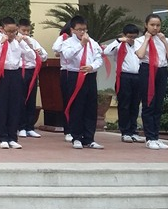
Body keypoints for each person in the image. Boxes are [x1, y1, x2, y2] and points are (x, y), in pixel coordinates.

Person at [0, 17, 36, 149]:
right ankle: (3, 137)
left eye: (14, 31)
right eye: (9, 31)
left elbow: (32, 57)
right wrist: (0, 43)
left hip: (16, 74)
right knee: (2, 106)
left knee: (15, 106)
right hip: (1, 73)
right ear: (2, 29)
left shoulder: (19, 41)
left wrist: (23, 43)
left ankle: (12, 137)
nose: (12, 34)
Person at [60, 15, 104, 150]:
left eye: (84, 29)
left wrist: (92, 67)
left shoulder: (93, 42)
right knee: (77, 107)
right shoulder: (68, 43)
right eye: (79, 29)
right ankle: (77, 137)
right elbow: (67, 56)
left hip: (89, 75)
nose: (82, 32)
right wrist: (81, 45)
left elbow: (99, 58)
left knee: (90, 107)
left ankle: (89, 138)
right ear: (72, 30)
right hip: (74, 74)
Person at [135, 13, 168, 150]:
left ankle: (156, 137)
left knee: (158, 105)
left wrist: (164, 41)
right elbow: (140, 55)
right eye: (152, 25)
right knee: (149, 104)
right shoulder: (140, 40)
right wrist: (146, 39)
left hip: (161, 71)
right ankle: (150, 138)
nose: (155, 28)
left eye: (158, 25)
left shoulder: (164, 39)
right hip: (147, 70)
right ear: (146, 25)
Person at [103, 23, 145, 143]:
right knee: (124, 105)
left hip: (138, 77)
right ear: (124, 35)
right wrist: (118, 41)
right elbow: (106, 51)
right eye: (129, 37)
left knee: (135, 104)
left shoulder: (139, 45)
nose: (131, 39)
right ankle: (125, 132)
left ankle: (133, 131)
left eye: (134, 37)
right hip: (124, 77)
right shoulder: (118, 46)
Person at [17, 18, 48, 139]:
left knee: (31, 99)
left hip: (32, 71)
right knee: (21, 99)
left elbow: (44, 56)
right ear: (18, 29)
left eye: (28, 31)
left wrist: (38, 52)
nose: (25, 33)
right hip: (20, 70)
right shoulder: (15, 41)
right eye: (23, 30)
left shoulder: (33, 41)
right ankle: (21, 127)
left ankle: (30, 127)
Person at [52, 24, 72, 142]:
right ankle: (68, 130)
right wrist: (63, 38)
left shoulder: (85, 39)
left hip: (82, 72)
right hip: (67, 72)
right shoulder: (64, 39)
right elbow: (56, 49)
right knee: (67, 101)